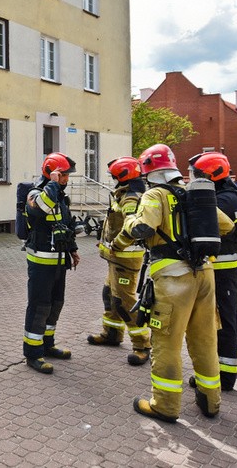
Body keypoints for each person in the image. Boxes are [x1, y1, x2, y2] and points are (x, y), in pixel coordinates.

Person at [112, 143, 233, 422]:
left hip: (172, 278)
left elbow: (143, 228)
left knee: (166, 342)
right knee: (204, 339)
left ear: (148, 171)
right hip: (204, 274)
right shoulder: (193, 194)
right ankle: (210, 401)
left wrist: (129, 222)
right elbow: (225, 225)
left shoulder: (155, 194)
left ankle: (164, 405)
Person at [188, 152, 237, 391]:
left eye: (200, 175)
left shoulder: (223, 201)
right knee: (232, 313)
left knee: (223, 320)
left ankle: (225, 375)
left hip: (221, 265)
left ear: (212, 175)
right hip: (229, 263)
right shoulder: (230, 195)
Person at [88, 157, 151, 366]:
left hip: (125, 259)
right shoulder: (123, 194)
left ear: (122, 176)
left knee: (124, 302)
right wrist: (106, 243)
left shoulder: (130, 199)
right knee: (109, 295)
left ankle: (142, 345)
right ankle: (112, 334)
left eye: (114, 176)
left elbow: (132, 229)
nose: (112, 180)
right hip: (116, 259)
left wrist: (115, 245)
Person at [23, 152, 81, 374]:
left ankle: (48, 344)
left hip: (59, 260)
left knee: (56, 303)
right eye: (63, 175)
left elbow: (65, 224)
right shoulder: (35, 194)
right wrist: (53, 185)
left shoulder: (61, 197)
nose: (67, 179)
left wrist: (73, 250)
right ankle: (33, 353)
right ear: (52, 173)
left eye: (66, 176)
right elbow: (41, 209)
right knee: (39, 306)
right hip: (41, 262)